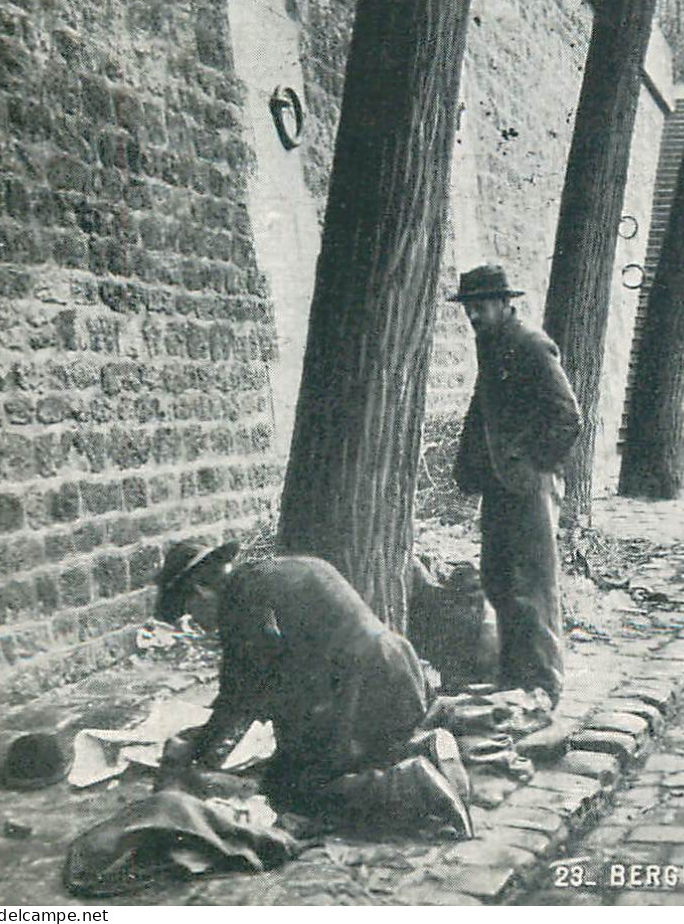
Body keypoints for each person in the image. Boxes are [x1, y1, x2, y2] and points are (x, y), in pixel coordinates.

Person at [154, 542, 473, 838]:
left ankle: (412, 784)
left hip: (361, 688)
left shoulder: (241, 599)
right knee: (332, 764)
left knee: (293, 794)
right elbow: (274, 681)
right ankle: (422, 748)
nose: (196, 623)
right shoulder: (278, 570)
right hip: (396, 672)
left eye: (189, 613)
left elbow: (239, 696)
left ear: (199, 592)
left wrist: (195, 753)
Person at [451, 264, 581, 706]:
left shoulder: (531, 345)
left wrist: (531, 465)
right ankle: (513, 678)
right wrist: (468, 466)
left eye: (481, 306)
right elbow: (482, 412)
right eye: (469, 308)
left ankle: (545, 683)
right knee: (500, 579)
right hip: (500, 486)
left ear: (506, 304)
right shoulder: (491, 345)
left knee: (534, 584)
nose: (473, 316)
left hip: (529, 486)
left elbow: (567, 418)